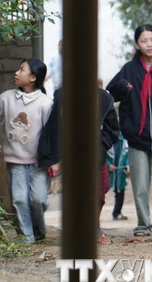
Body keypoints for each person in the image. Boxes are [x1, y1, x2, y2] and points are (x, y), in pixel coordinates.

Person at [108, 24, 152, 237]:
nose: (149, 44)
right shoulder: (129, 69)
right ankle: (143, 225)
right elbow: (111, 92)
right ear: (137, 45)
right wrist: (124, 87)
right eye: (144, 41)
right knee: (140, 185)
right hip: (137, 138)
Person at [39, 84, 120, 244]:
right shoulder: (63, 94)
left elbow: (112, 129)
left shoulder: (103, 97)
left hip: (96, 156)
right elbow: (54, 127)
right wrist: (53, 159)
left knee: (99, 193)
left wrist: (102, 145)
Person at [0, 59, 53, 243]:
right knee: (19, 200)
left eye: (21, 70)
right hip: (15, 160)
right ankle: (27, 237)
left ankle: (39, 228)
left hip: (39, 162)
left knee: (38, 199)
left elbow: (51, 133)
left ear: (33, 78)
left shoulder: (45, 103)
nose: (16, 72)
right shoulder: (5, 98)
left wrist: (54, 161)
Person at [107, 133, 129, 222]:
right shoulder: (107, 137)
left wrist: (127, 165)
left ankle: (117, 212)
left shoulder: (124, 140)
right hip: (108, 170)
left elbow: (127, 153)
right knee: (101, 190)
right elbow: (102, 153)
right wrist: (108, 165)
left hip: (120, 171)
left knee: (120, 191)